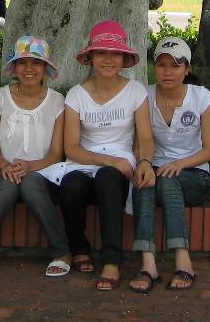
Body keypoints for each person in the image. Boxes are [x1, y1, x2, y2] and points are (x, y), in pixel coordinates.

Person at [58, 20, 155, 292]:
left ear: (124, 58)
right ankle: (79, 248)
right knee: (71, 185)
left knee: (107, 179)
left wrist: (145, 161)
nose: (108, 59)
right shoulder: (76, 95)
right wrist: (108, 160)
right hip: (87, 160)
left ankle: (112, 260)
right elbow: (72, 148)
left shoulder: (135, 91)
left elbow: (145, 138)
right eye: (101, 52)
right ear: (91, 57)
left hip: (120, 166)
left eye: (115, 53)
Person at [130, 37, 210, 293]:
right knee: (144, 181)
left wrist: (179, 164)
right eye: (162, 65)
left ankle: (183, 260)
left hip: (193, 174)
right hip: (156, 168)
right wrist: (144, 164)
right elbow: (139, 142)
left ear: (187, 69)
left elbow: (209, 150)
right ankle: (148, 264)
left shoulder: (201, 97)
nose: (168, 72)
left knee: (166, 178)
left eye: (176, 66)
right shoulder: (144, 95)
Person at [0, 36, 71, 277]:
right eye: (22, 63)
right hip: (5, 168)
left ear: (46, 68)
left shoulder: (57, 102)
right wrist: (4, 164)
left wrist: (30, 166)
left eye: (36, 63)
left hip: (43, 169)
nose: (29, 69)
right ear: (14, 68)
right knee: (7, 189)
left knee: (31, 185)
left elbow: (56, 154)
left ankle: (61, 250)